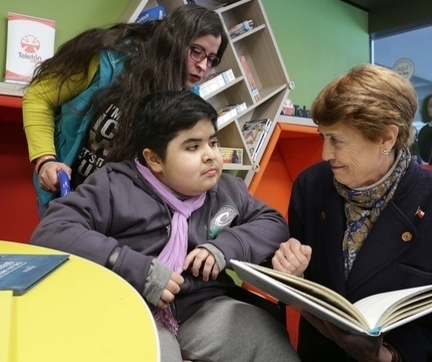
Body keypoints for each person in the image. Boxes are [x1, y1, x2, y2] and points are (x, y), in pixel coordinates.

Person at [29, 90, 298, 362]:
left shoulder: (228, 190)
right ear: (154, 159)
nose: (210, 156)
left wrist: (224, 247)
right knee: (159, 353)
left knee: (266, 339)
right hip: (130, 306)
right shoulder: (113, 185)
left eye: (213, 142)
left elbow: (273, 223)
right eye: (193, 147)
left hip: (203, 307)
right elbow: (53, 230)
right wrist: (129, 264)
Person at [271, 64, 432, 362]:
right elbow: (305, 280)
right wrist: (292, 271)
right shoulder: (310, 187)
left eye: (337, 140)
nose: (325, 153)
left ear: (387, 139)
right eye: (323, 137)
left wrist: (387, 355)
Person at [23, 4, 228, 216]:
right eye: (196, 52)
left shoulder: (189, 98)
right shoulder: (111, 60)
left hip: (117, 214)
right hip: (66, 194)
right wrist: (46, 160)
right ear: (173, 43)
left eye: (211, 59)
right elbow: (38, 97)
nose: (203, 66)